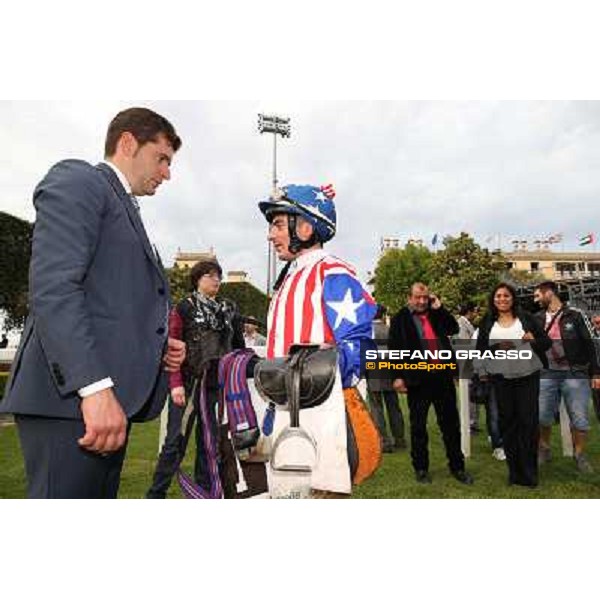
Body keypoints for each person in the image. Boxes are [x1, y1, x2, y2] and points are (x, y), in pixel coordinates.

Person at [0, 107, 186, 498]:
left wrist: (154, 347)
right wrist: (93, 387)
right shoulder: (80, 179)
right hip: (74, 403)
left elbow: (105, 303)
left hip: (101, 404)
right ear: (128, 143)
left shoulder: (122, 205)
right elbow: (54, 288)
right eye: (162, 158)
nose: (167, 173)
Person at [258, 183, 379, 497]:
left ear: (306, 226)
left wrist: (314, 372)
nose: (271, 234)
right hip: (285, 410)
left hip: (323, 418)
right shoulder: (288, 278)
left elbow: (358, 347)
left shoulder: (334, 272)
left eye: (278, 224)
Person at [146, 259, 262, 499]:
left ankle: (205, 492)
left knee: (209, 444)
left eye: (218, 276)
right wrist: (176, 383)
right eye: (210, 275)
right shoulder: (184, 308)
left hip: (217, 390)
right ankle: (156, 495)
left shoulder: (228, 310)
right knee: (174, 444)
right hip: (189, 385)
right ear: (197, 279)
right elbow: (173, 349)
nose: (216, 280)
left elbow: (239, 350)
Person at [388, 283, 473, 485]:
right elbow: (394, 348)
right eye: (417, 297)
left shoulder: (436, 313)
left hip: (442, 377)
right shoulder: (400, 318)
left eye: (425, 297)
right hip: (418, 379)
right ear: (410, 298)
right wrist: (397, 377)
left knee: (451, 425)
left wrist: (440, 308)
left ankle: (457, 467)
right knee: (418, 427)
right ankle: (421, 468)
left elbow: (453, 328)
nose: (421, 301)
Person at [475, 283, 550, 488]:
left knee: (528, 424)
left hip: (528, 377)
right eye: (498, 296)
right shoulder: (488, 322)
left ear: (513, 298)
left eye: (506, 295)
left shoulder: (526, 318)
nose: (502, 299)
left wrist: (533, 340)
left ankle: (529, 474)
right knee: (508, 426)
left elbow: (546, 343)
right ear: (493, 299)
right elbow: (480, 350)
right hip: (501, 379)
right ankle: (514, 473)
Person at [533, 281, 600, 473]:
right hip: (546, 373)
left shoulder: (576, 315)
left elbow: (591, 344)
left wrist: (596, 372)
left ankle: (579, 455)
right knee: (542, 416)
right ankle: (543, 449)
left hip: (575, 373)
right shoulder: (536, 318)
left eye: (538, 296)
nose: (535, 300)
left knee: (579, 418)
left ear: (549, 293)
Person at [367, 304, 406, 452]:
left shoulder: (368, 333)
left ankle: (384, 442)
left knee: (377, 409)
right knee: (394, 408)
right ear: (383, 315)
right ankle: (400, 439)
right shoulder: (390, 331)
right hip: (390, 373)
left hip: (374, 373)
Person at [455, 302, 481, 434]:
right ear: (469, 312)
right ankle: (468, 423)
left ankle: (473, 422)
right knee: (468, 394)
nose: (477, 314)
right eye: (475, 311)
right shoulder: (461, 324)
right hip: (466, 363)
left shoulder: (467, 324)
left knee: (473, 393)